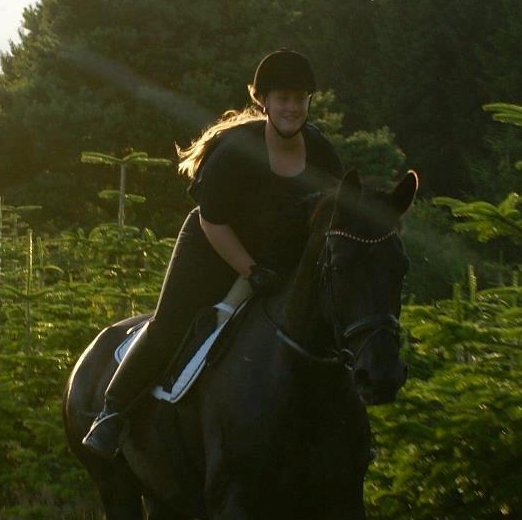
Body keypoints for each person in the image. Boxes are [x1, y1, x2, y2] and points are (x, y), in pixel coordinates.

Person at [82, 49, 343, 457]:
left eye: (300, 99)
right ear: (264, 101)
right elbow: (213, 222)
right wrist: (251, 270)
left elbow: (334, 216)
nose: (292, 108)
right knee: (170, 324)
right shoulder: (237, 150)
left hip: (282, 255)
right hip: (212, 247)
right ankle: (111, 413)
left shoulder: (322, 153)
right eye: (283, 99)